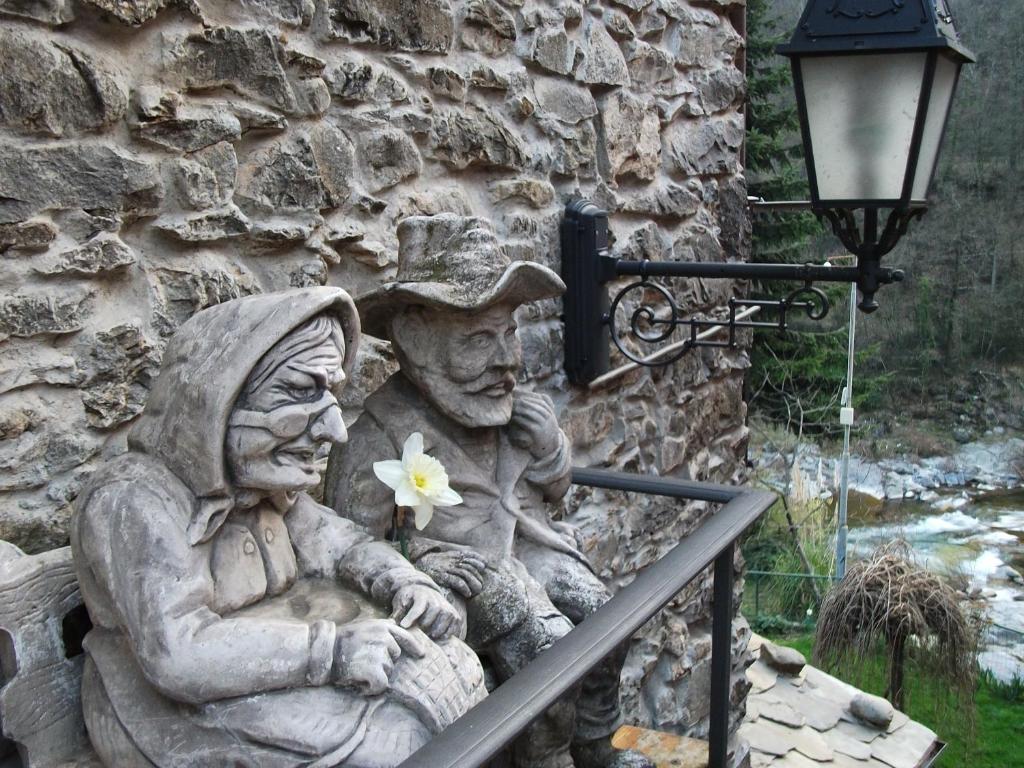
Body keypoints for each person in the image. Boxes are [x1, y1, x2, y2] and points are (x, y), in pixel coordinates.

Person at [71, 287, 485, 768]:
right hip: (167, 712)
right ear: (217, 401)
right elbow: (176, 653)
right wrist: (332, 650)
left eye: (330, 394)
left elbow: (342, 545)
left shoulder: (265, 489)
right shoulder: (132, 502)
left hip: (272, 664)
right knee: (394, 744)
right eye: (301, 391)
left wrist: (404, 580)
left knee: (456, 671)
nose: (336, 429)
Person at [325, 215, 653, 768]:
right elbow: (348, 540)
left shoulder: (509, 409)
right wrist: (422, 555)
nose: (507, 360)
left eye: (509, 333)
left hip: (529, 553)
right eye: (480, 340)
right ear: (416, 341)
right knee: (545, 653)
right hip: (468, 580)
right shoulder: (376, 435)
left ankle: (598, 747)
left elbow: (554, 492)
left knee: (604, 616)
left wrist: (551, 449)